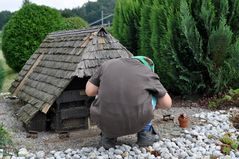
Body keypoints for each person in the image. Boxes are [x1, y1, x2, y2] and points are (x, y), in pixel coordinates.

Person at [85, 56, 172, 149]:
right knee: (151, 96)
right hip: (138, 119)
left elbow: (89, 91)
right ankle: (145, 135)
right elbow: (167, 104)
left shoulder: (106, 65)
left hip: (105, 121)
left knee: (99, 95)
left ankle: (107, 137)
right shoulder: (147, 71)